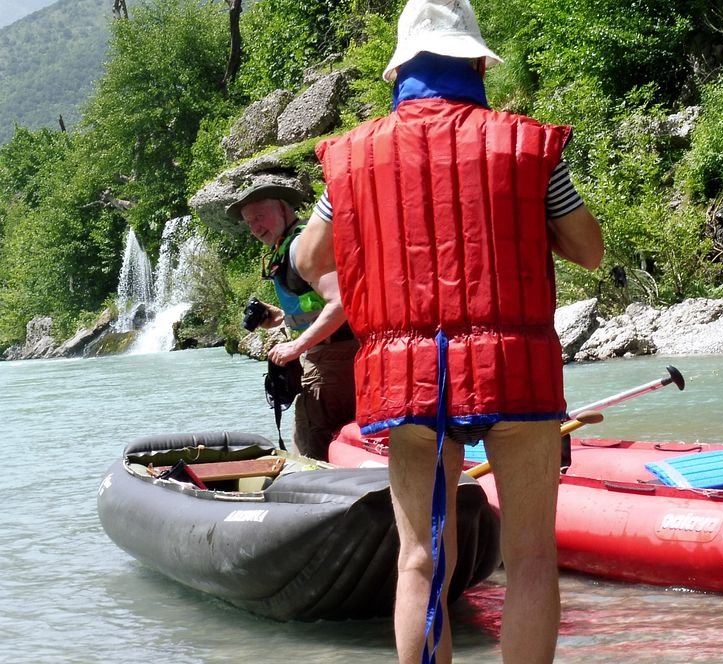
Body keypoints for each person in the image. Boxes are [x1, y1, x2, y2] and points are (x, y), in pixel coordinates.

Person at [298, 2, 603, 661]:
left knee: (419, 561)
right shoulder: (527, 145)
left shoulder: (348, 159)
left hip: (405, 382)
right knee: (528, 558)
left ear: (401, 66)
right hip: (513, 373)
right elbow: (588, 249)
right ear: (475, 61)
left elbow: (307, 259)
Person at [226, 182, 358, 460]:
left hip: (332, 360)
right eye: (250, 222)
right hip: (335, 355)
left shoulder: (299, 246)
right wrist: (283, 317)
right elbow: (320, 303)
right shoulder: (294, 242)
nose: (255, 227)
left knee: (310, 451)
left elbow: (342, 303)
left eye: (260, 216)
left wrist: (295, 346)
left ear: (284, 209)